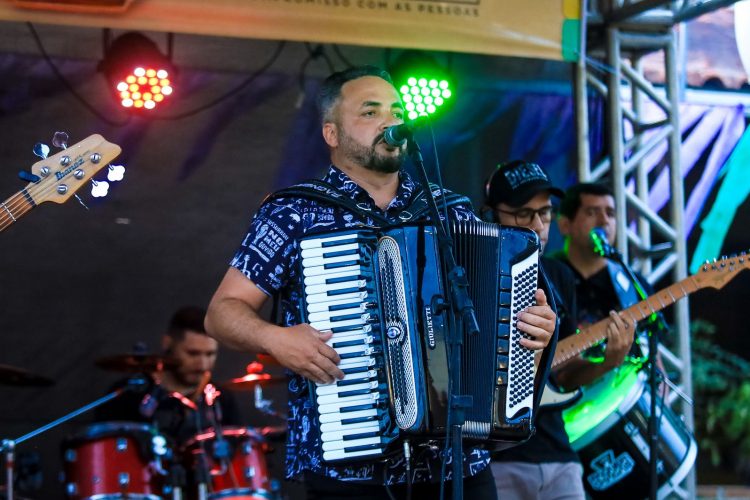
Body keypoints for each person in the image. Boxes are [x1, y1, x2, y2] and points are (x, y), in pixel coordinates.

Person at [204, 65, 557, 499]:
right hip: (351, 471)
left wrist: (532, 329)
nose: (390, 122)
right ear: (332, 133)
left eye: (397, 112)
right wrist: (276, 339)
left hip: (458, 466)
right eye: (370, 112)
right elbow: (222, 313)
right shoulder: (294, 214)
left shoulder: (451, 211)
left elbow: (497, 325)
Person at [484, 160, 591, 499]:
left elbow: (565, 374)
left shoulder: (559, 275)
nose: (538, 226)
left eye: (545, 213)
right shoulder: (476, 273)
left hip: (558, 452)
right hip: (495, 458)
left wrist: (610, 361)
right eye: (523, 214)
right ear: (493, 216)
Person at [94, 305, 241, 444]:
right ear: (167, 343)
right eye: (193, 353)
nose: (203, 365)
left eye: (210, 354)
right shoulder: (129, 394)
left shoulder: (221, 399)